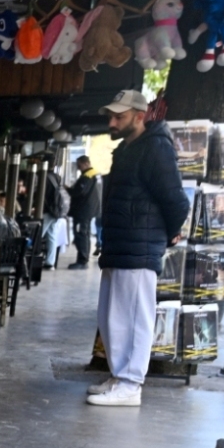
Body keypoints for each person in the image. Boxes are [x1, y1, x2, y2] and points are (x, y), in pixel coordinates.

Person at [89, 90, 188, 408]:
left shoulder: (156, 148)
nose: (112, 121)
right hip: (120, 245)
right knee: (112, 316)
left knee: (132, 316)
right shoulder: (127, 150)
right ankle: (120, 376)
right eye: (111, 116)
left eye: (119, 116)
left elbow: (175, 200)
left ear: (140, 114)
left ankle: (130, 382)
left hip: (139, 246)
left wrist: (168, 234)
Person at [68, 155, 102, 268]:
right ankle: (84, 258)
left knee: (81, 234)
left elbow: (78, 192)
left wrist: (67, 189)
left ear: (86, 163)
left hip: (83, 210)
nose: (78, 167)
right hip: (92, 209)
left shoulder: (87, 176)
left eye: (79, 165)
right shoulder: (97, 174)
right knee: (85, 233)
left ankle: (81, 261)